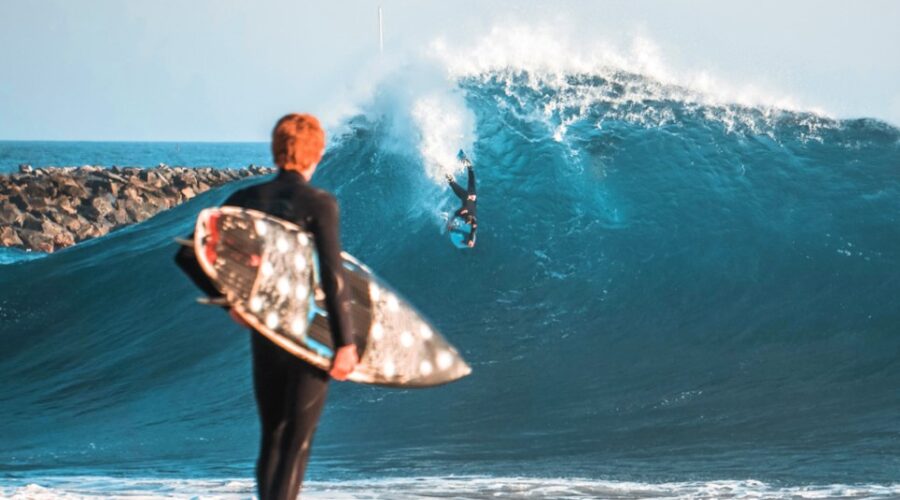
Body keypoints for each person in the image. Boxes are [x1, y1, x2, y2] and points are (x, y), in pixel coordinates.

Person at [174, 113, 358, 500]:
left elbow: (188, 255)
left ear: (277, 150)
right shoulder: (319, 203)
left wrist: (231, 304)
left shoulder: (247, 199)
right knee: (297, 443)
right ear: (317, 152)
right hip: (306, 337)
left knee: (272, 437)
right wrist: (345, 343)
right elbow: (332, 277)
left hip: (266, 331)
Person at [445, 149, 477, 247]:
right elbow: (455, 214)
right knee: (452, 183)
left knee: (471, 179)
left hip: (473, 196)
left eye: (467, 222)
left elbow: (473, 231)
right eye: (466, 221)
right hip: (466, 196)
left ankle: (469, 166)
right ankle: (443, 169)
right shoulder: (463, 211)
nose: (466, 223)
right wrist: (450, 223)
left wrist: (471, 240)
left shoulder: (474, 221)